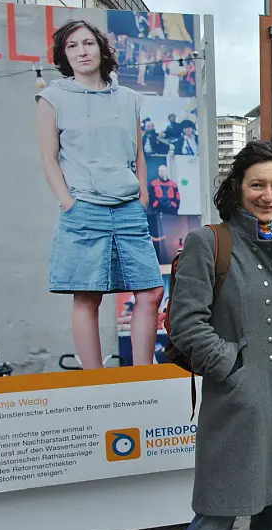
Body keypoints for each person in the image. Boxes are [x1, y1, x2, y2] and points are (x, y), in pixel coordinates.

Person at [170, 141, 272, 530]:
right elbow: (186, 324)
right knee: (213, 521)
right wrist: (235, 369)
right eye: (258, 185)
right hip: (235, 407)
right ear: (237, 187)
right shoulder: (209, 242)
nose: (268, 195)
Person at [36, 20, 164, 370]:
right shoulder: (52, 98)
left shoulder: (128, 98)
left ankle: (143, 377)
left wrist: (142, 197)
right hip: (83, 207)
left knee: (151, 292)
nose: (82, 51)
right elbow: (49, 159)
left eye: (88, 43)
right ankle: (95, 381)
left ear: (101, 49)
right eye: (72, 46)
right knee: (87, 296)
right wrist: (68, 202)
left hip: (127, 207)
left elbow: (137, 152)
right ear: (64, 55)